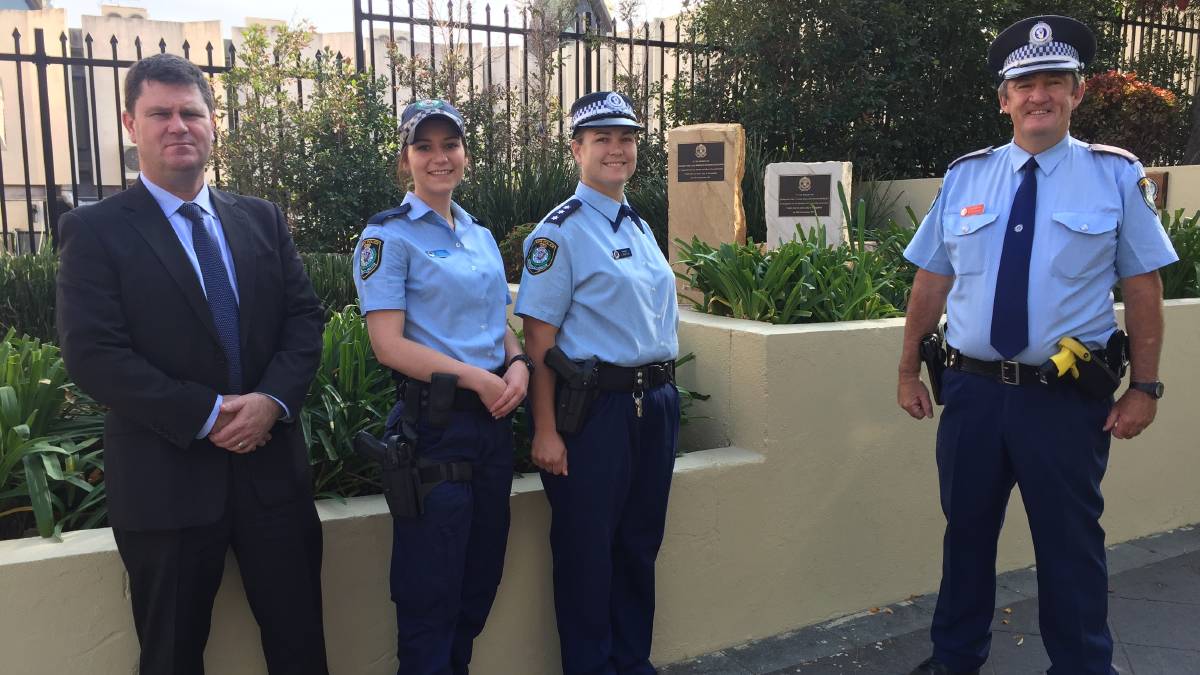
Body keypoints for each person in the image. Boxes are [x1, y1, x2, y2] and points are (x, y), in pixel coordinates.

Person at [897, 15, 1178, 675]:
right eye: (1024, 84)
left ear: (1078, 93)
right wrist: (908, 368)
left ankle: (1083, 664)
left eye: (1055, 81)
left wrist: (1145, 385)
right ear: (1004, 98)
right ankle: (954, 657)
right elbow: (931, 280)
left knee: (1070, 544)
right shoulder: (965, 178)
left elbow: (1143, 287)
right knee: (964, 536)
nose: (1038, 95)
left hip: (1063, 399)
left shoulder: (1114, 176)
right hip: (969, 392)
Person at [55, 54, 328, 675]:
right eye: (160, 113)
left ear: (212, 123)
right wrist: (206, 415)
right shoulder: (94, 231)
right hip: (165, 487)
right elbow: (93, 353)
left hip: (272, 481)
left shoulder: (261, 218)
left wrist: (272, 403)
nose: (178, 125)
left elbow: (304, 320)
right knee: (172, 657)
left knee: (301, 648)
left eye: (191, 112)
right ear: (131, 124)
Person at [352, 98, 529, 675]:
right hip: (436, 429)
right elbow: (389, 345)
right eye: (423, 146)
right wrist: (479, 378)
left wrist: (519, 360)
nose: (438, 157)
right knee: (430, 595)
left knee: (478, 583)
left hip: (491, 427)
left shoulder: (477, 234)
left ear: (465, 155)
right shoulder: (387, 238)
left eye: (448, 145)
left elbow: (494, 321)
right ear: (406, 160)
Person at [516, 91, 680, 675]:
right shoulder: (557, 234)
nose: (617, 149)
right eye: (602, 138)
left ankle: (632, 663)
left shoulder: (639, 225)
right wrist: (545, 431)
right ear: (576, 149)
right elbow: (539, 344)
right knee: (589, 555)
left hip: (653, 404)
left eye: (627, 138)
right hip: (594, 412)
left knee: (639, 547)